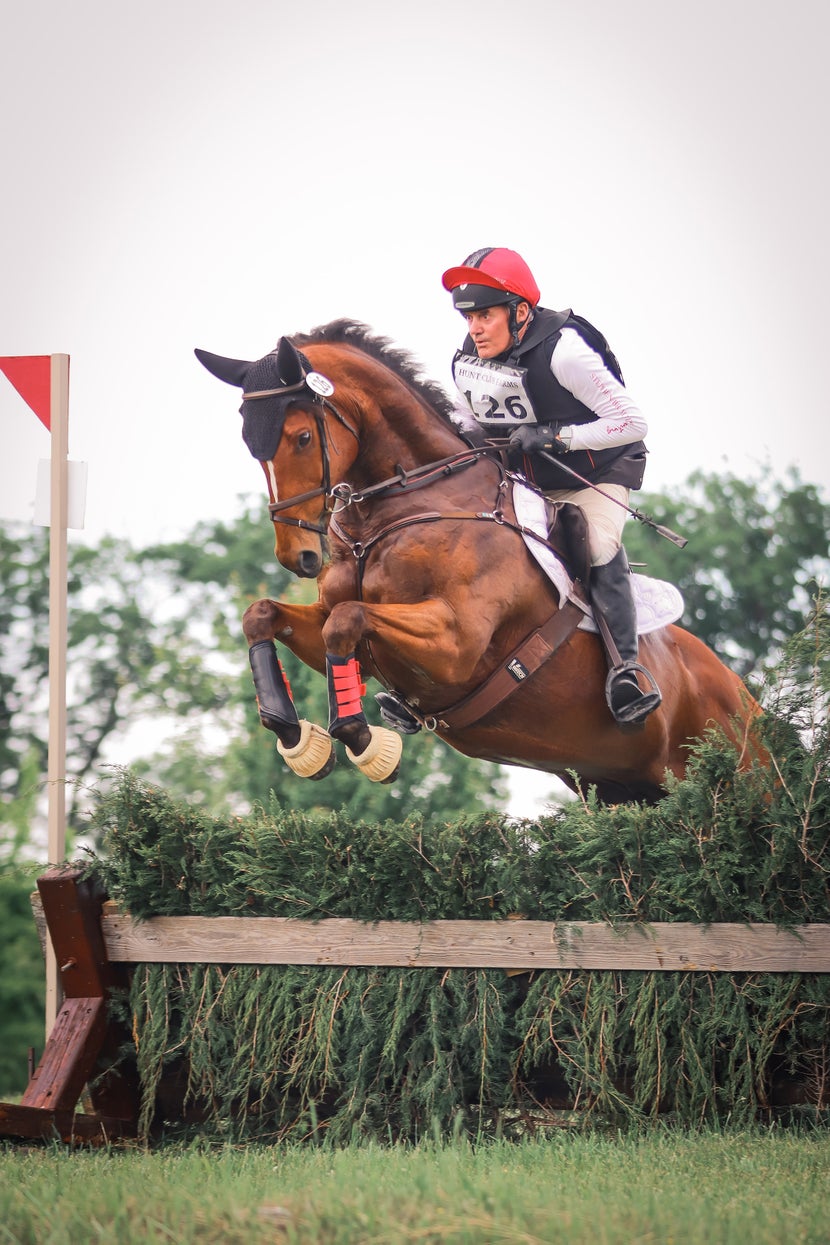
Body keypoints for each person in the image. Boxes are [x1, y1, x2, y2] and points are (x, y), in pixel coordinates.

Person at [441, 246, 662, 727]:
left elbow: (632, 422)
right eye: (468, 317)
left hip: (596, 473)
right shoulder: (467, 362)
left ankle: (628, 669)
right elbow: (465, 425)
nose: (474, 328)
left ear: (520, 312)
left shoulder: (565, 351)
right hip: (527, 483)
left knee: (597, 543)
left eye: (484, 316)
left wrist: (557, 437)